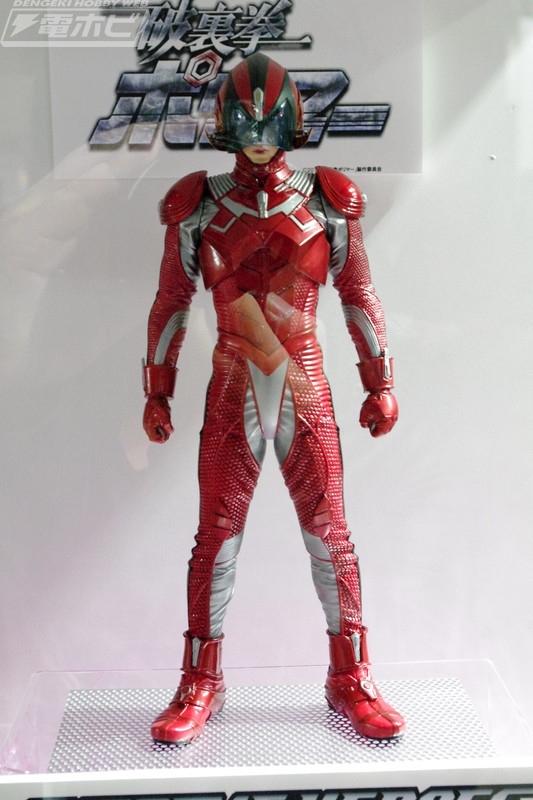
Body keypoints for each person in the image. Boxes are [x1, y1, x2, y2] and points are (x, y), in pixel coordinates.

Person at [142, 52, 405, 744]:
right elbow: (171, 302)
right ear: (227, 126)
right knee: (216, 539)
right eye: (246, 125)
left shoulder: (328, 199)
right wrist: (157, 390)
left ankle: (351, 676)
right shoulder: (197, 204)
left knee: (330, 536)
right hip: (233, 384)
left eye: (269, 125)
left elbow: (358, 293)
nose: (259, 138)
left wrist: (379, 382)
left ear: (290, 124)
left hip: (303, 385)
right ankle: (200, 679)